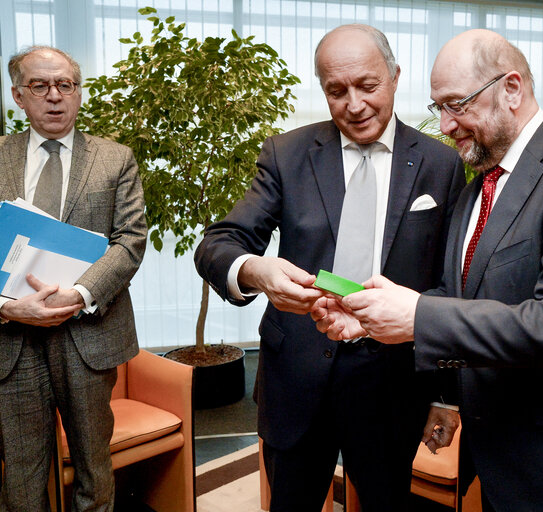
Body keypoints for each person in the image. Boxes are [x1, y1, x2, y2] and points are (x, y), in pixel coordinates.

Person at [312, 29, 543, 511]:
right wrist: (375, 319)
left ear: (511, 89)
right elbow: (463, 294)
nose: (444, 125)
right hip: (505, 460)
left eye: (456, 104)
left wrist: (419, 316)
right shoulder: (478, 188)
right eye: (437, 107)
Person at [194, 24, 466, 511]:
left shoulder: (440, 164)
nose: (355, 105)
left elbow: (451, 285)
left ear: (395, 76)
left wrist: (446, 394)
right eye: (336, 92)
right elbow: (219, 243)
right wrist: (259, 271)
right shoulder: (287, 154)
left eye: (368, 86)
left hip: (393, 380)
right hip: (296, 375)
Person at [0, 46, 147, 512]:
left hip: (88, 336)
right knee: (21, 481)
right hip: (11, 341)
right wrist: (5, 308)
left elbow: (130, 240)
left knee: (93, 471)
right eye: (40, 86)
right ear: (18, 96)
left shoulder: (115, 158)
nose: (55, 97)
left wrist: (79, 293)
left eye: (65, 85)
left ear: (79, 92)